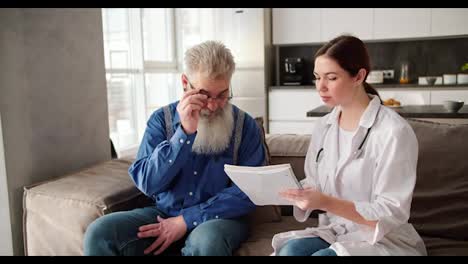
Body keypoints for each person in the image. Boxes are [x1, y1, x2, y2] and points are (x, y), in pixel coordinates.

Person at [83, 40, 267, 256]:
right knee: (100, 232)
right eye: (205, 95)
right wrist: (184, 135)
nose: (214, 105)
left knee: (206, 239)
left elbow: (251, 190)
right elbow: (148, 183)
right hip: (162, 213)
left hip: (220, 219)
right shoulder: (161, 120)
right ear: (185, 83)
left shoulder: (245, 127)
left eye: (223, 95)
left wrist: (187, 220)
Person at [271, 35, 427, 256]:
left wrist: (326, 202)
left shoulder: (393, 132)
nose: (320, 87)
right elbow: (315, 182)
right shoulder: (324, 127)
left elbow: (390, 211)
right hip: (336, 231)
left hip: (382, 239)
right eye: (317, 77)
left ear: (359, 76)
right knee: (290, 251)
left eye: (331, 78)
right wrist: (290, 191)